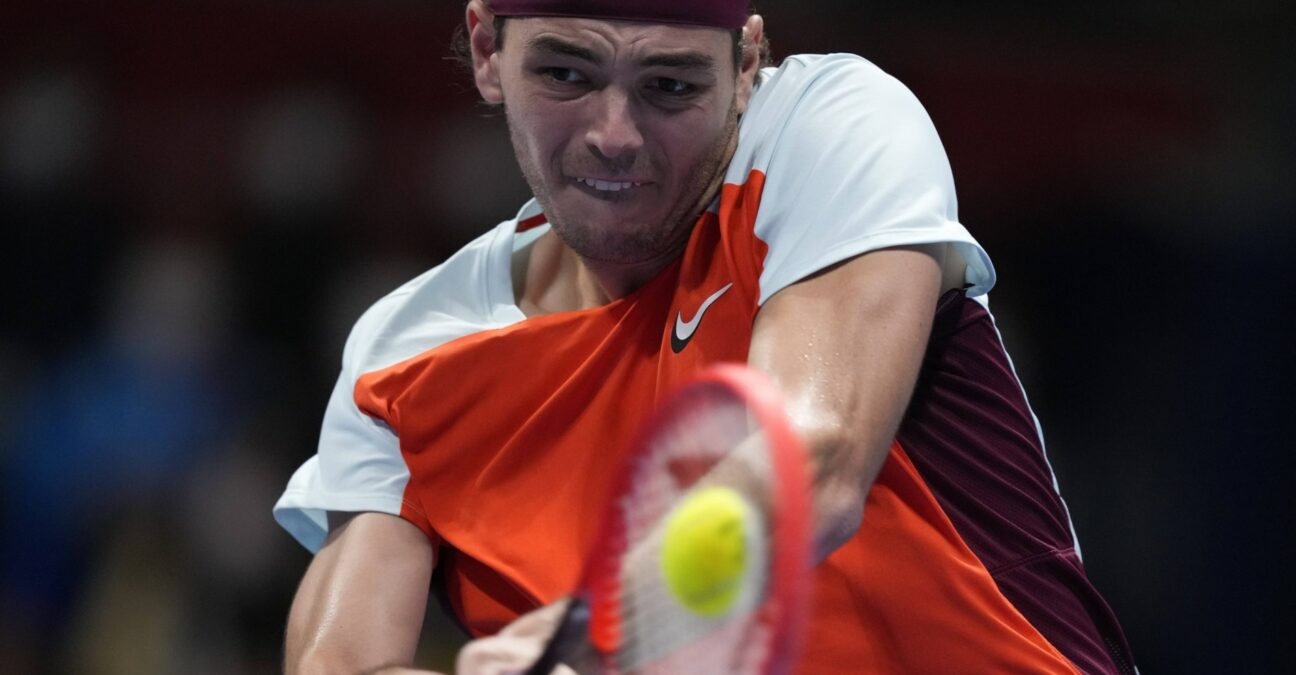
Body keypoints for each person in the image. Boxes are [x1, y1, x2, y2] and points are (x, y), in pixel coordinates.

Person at [274, 1, 1136, 672]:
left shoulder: (827, 128)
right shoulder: (404, 353)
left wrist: (592, 640)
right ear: (488, 51)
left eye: (671, 86)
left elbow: (811, 465)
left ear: (749, 64)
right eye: (567, 75)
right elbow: (340, 660)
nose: (613, 135)